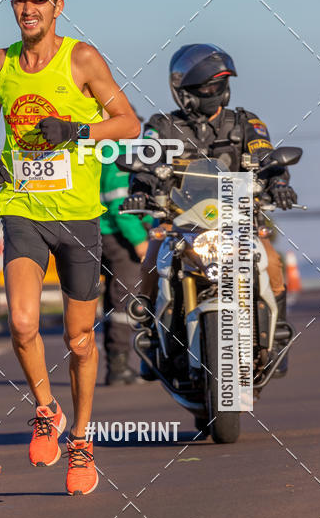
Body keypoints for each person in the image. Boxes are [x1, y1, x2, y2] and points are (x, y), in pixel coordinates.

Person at [0, 0, 140, 495]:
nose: (27, 10)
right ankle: (46, 410)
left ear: (57, 6)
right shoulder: (0, 63)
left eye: (37, 1)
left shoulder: (82, 58)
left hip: (77, 216)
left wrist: (77, 129)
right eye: (19, 1)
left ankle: (83, 440)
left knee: (79, 339)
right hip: (22, 208)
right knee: (23, 324)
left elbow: (129, 122)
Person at [124, 43, 297, 374]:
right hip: (178, 223)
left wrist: (279, 184)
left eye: (219, 85)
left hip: (238, 222)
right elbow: (145, 164)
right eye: (205, 88)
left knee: (271, 262)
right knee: (151, 261)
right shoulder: (161, 127)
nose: (213, 93)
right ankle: (150, 332)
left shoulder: (246, 123)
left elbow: (267, 159)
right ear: (182, 91)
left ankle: (276, 337)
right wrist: (140, 192)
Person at [100, 155, 150, 384]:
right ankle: (118, 367)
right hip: (120, 235)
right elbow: (121, 206)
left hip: (112, 232)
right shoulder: (120, 152)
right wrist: (140, 241)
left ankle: (117, 364)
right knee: (125, 301)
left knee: (116, 300)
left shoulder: (113, 150)